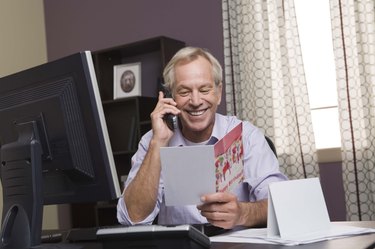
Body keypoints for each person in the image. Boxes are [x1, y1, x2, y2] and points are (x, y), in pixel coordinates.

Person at [117, 46, 288, 229]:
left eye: (204, 90)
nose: (196, 101)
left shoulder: (247, 135)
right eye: (184, 92)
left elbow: (281, 205)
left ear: (219, 93)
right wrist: (158, 143)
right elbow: (133, 218)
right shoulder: (152, 141)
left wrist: (242, 213)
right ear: (170, 96)